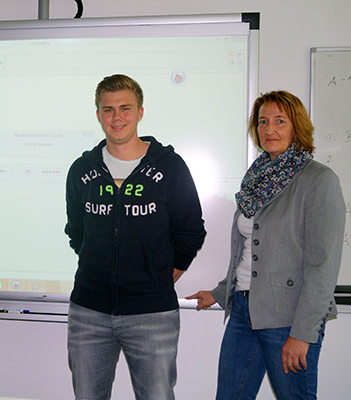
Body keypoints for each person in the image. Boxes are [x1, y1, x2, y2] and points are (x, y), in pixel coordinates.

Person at [186, 91, 345, 399]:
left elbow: (323, 265)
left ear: (296, 126)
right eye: (263, 122)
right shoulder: (257, 177)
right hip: (245, 311)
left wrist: (302, 334)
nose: (269, 129)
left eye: (279, 121)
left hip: (289, 318)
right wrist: (220, 292)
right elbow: (250, 252)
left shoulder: (318, 180)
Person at [64, 74, 206, 399]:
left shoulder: (170, 167)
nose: (117, 117)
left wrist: (159, 277)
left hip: (152, 314)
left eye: (125, 108)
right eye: (108, 109)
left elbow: (190, 231)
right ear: (98, 114)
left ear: (140, 112)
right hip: (89, 312)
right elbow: (76, 232)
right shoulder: (81, 170)